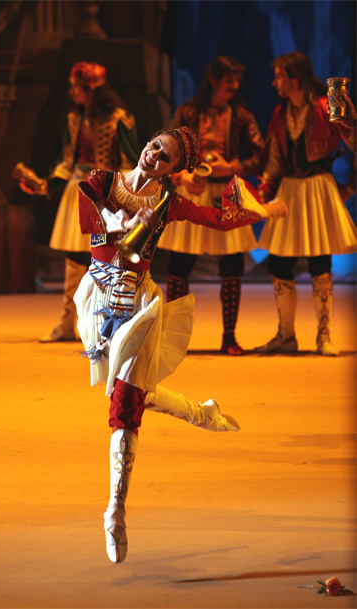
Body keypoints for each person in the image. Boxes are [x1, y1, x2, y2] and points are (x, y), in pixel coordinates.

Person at [74, 126, 288, 563]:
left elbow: (218, 219)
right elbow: (89, 230)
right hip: (97, 299)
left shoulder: (169, 203)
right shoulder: (103, 181)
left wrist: (264, 209)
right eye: (155, 146)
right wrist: (123, 226)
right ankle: (198, 412)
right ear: (147, 143)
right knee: (138, 394)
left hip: (139, 305)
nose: (154, 156)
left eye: (166, 157)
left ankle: (115, 509)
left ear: (174, 170)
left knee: (125, 404)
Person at [19, 61, 139, 342]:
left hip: (106, 194)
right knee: (74, 258)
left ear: (90, 89)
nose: (71, 91)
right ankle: (67, 321)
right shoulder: (75, 119)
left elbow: (129, 162)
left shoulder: (120, 119)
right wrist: (45, 183)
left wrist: (120, 195)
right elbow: (66, 161)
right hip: (79, 191)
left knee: (107, 259)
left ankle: (109, 324)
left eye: (75, 86)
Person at [158, 57, 265, 355]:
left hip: (227, 194)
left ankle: (229, 337)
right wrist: (181, 177)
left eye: (236, 79)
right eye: (229, 79)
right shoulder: (187, 113)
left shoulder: (241, 116)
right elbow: (165, 152)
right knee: (180, 265)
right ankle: (172, 338)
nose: (234, 85)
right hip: (193, 192)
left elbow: (261, 154)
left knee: (232, 265)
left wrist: (234, 166)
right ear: (214, 80)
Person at [254, 52, 357, 356]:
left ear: (294, 79)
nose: (275, 82)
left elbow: (354, 143)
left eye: (279, 76)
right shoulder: (279, 113)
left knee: (319, 261)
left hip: (318, 188)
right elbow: (273, 161)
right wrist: (264, 193)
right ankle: (286, 335)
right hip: (289, 190)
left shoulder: (326, 108)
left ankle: (323, 334)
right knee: (279, 261)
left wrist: (350, 187)